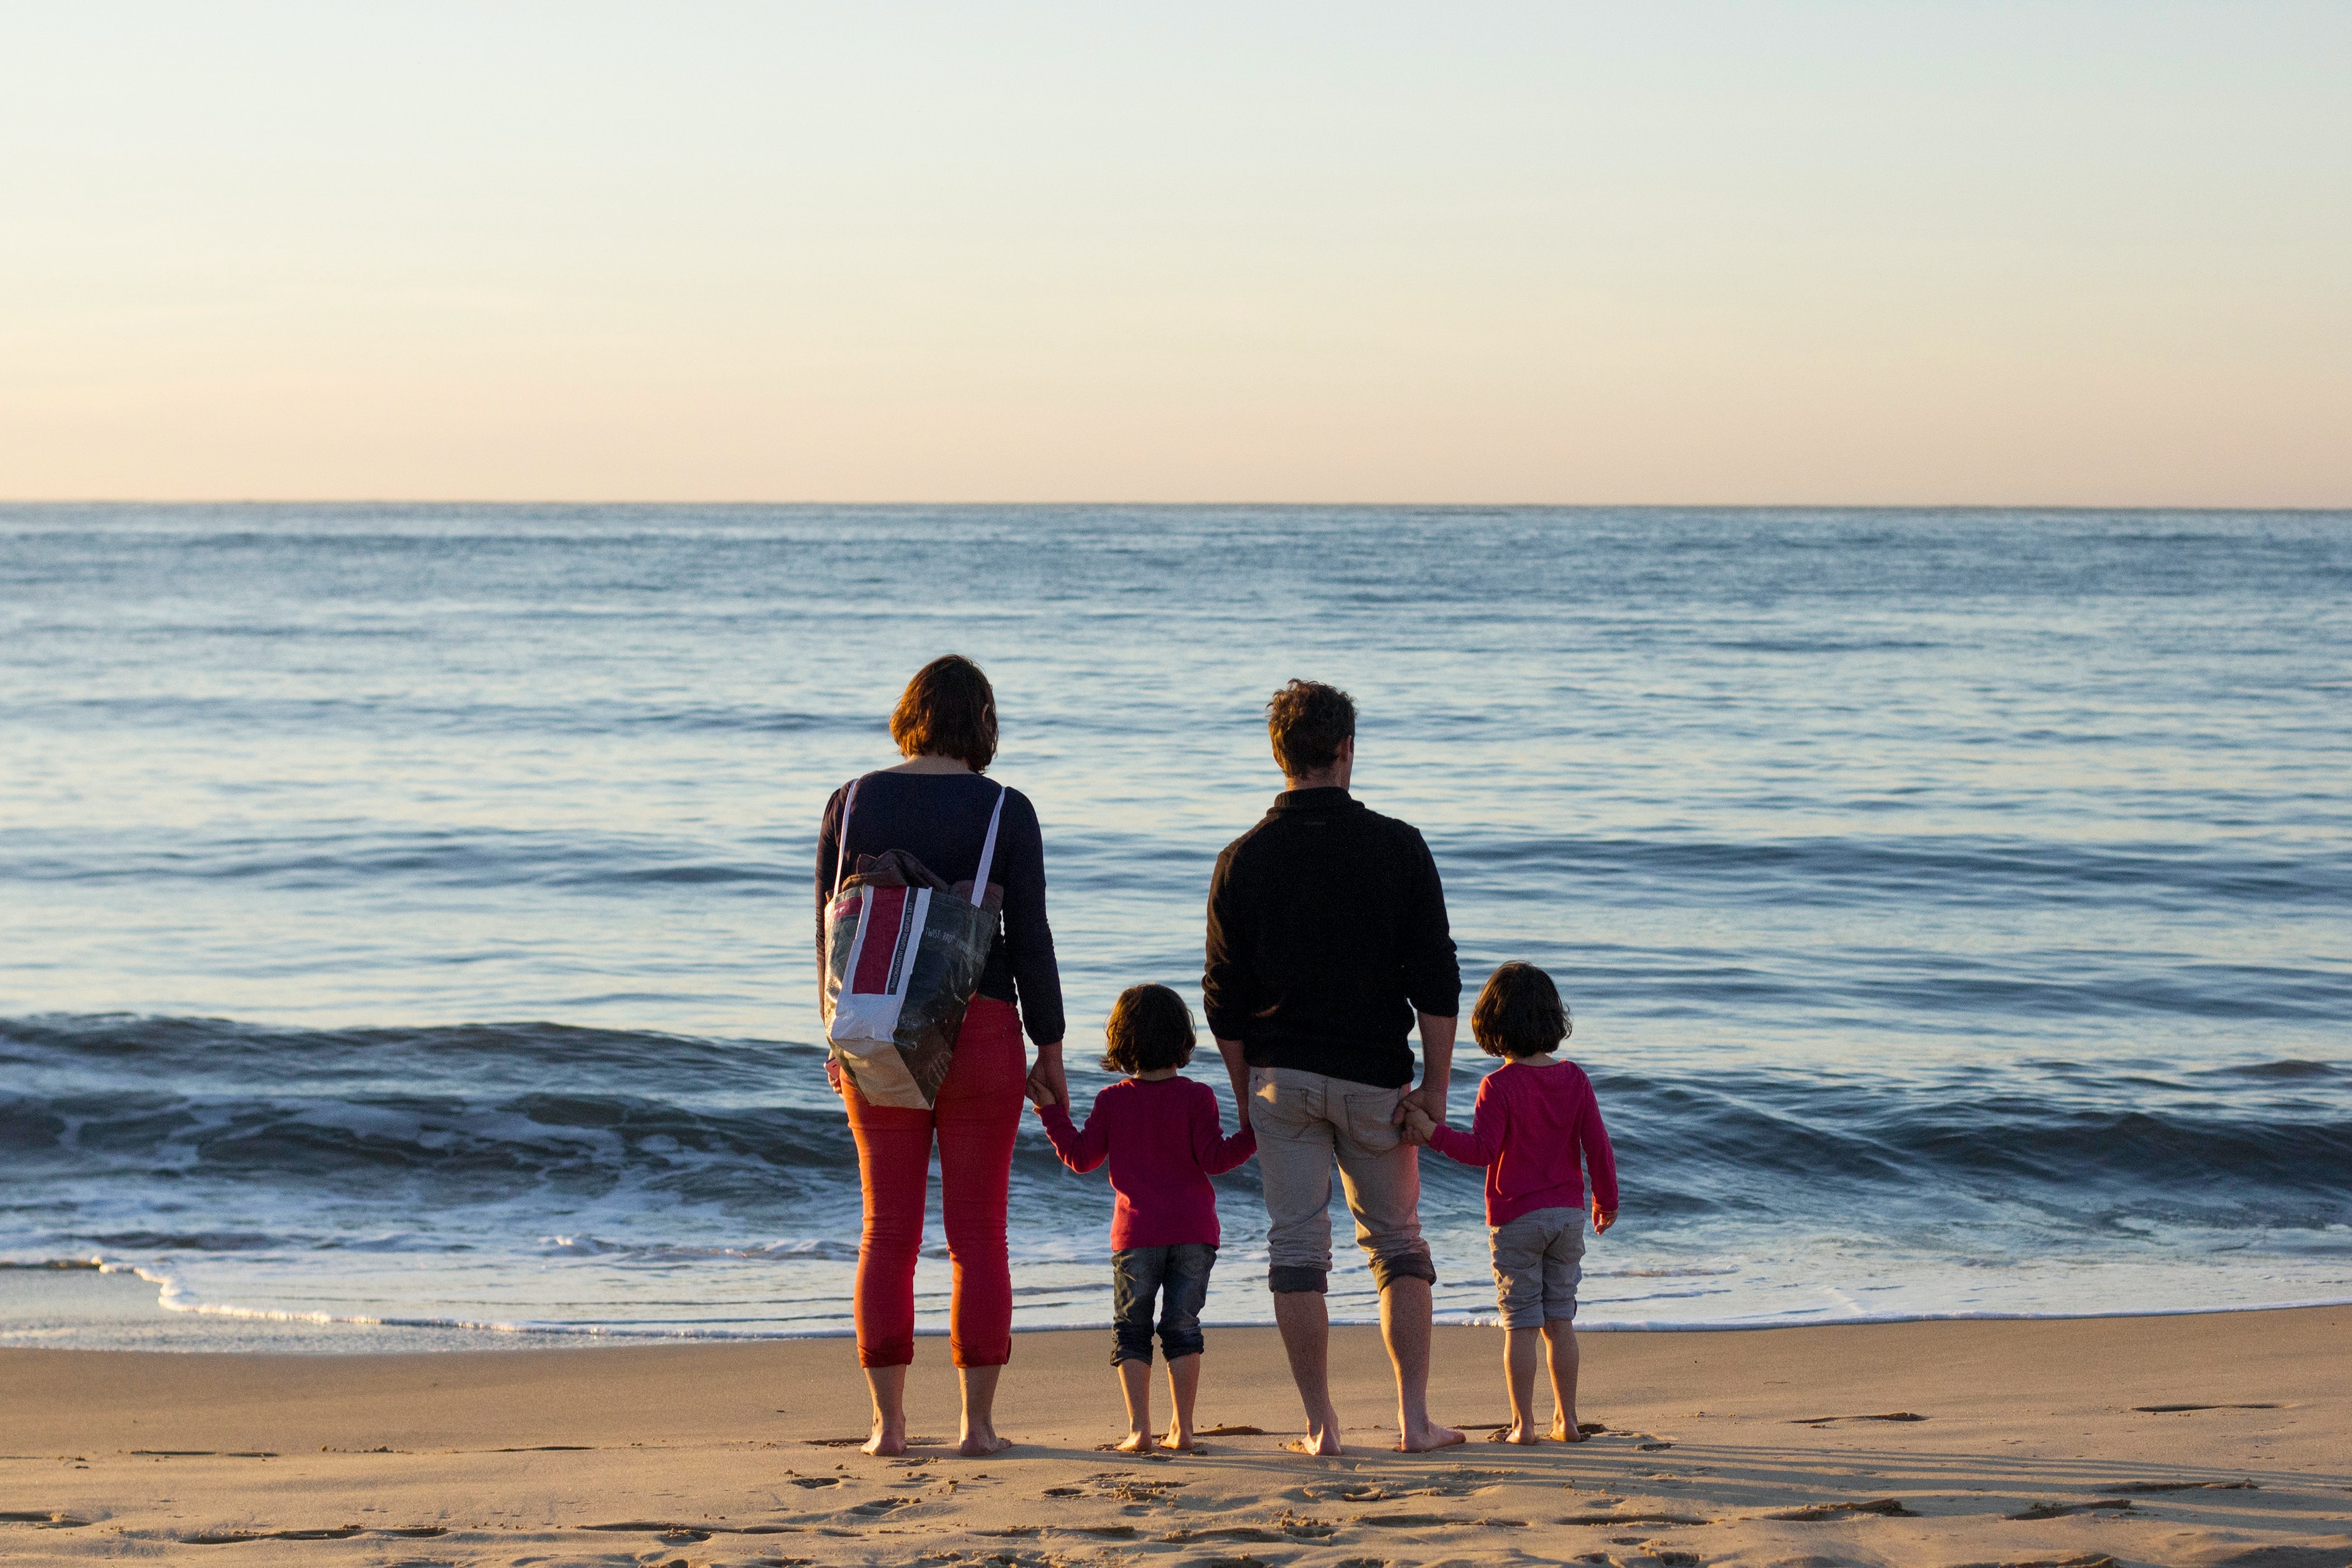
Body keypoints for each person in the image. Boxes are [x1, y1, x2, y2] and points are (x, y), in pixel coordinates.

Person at [1202, 678, 1465, 1455]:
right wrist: (1438, 1086)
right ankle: (1414, 1421)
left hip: (1282, 1078)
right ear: (1347, 750)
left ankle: (1322, 1428)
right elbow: (1437, 979)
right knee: (1397, 1246)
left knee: (1296, 1251)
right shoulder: (1399, 846)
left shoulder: (1241, 859)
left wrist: (1246, 1091)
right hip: (1374, 1081)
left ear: (1279, 754)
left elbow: (1222, 998)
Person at [814, 654, 1067, 1458]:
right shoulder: (1005, 811)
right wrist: (1051, 1047)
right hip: (983, 1030)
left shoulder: (850, 803)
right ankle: (978, 1428)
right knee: (977, 1233)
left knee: (885, 1230)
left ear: (909, 713)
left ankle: (888, 1429)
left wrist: (835, 1032)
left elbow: (826, 933)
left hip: (874, 1021)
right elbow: (1031, 938)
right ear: (982, 723)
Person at [1031, 983, 1256, 1452]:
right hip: (1195, 1233)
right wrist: (1258, 1133)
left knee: (1131, 1329)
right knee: (1183, 1326)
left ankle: (1139, 1430)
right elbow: (1216, 1159)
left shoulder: (1114, 1100)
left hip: (1136, 1237)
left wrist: (1050, 1112)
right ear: (1183, 1040)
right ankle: (1185, 1429)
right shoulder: (1198, 1097)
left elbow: (1079, 1157)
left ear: (1120, 1041)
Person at [1401, 962, 1619, 1444]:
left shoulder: (1497, 1087)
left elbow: (1481, 1152)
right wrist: (1606, 1198)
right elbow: (1598, 1146)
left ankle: (1524, 1425)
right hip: (1568, 1217)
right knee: (1560, 1320)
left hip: (1516, 1219)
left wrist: (1431, 1134)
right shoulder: (1575, 1079)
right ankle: (1569, 1420)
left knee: (1520, 1324)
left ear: (1492, 1025)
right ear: (1552, 1020)